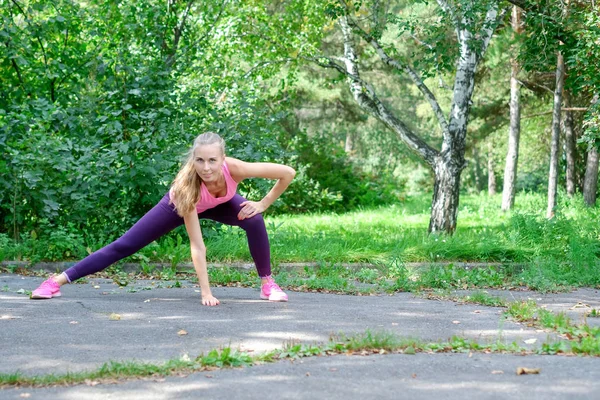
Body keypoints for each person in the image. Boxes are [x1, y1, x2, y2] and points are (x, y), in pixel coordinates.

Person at [30, 132, 295, 306]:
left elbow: (287, 172)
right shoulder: (188, 188)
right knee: (125, 246)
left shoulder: (235, 168)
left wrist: (262, 203)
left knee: (253, 219)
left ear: (223, 159)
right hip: (178, 206)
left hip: (219, 203)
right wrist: (206, 292)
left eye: (213, 160)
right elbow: (197, 245)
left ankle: (267, 284)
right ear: (194, 159)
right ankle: (56, 281)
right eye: (200, 160)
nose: (206, 167)